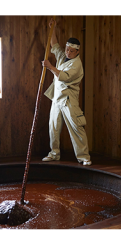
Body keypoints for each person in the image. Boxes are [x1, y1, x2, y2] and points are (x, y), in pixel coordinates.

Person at [41, 18, 92, 166]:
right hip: (57, 98)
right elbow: (55, 45)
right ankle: (54, 153)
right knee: (53, 127)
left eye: (71, 51)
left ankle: (84, 157)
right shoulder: (63, 56)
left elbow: (63, 77)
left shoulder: (77, 65)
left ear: (77, 51)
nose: (68, 52)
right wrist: (53, 28)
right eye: (67, 49)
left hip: (69, 100)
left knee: (76, 127)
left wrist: (50, 66)